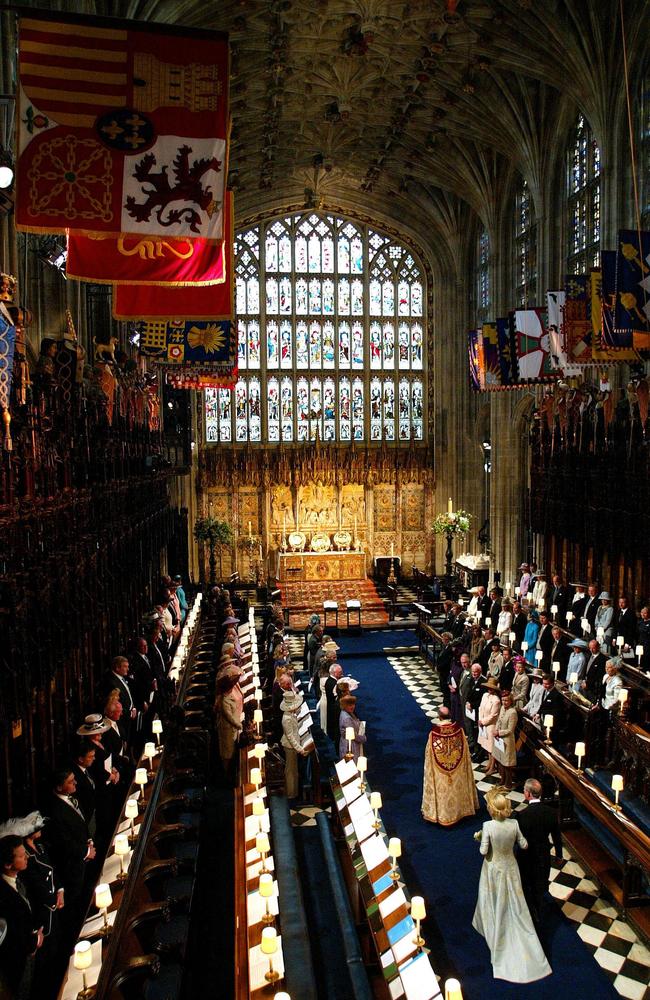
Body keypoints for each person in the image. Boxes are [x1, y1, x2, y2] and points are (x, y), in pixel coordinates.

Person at [472, 787, 551, 983]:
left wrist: (481, 839)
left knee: (494, 898)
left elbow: (483, 852)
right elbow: (523, 845)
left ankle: (494, 927)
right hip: (511, 867)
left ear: (492, 809)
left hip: (494, 869)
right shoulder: (514, 823)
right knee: (516, 901)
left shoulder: (488, 826)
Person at [516, 778, 563, 932]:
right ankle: (538, 909)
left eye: (524, 790)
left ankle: (531, 913)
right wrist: (559, 855)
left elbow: (518, 839)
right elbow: (556, 836)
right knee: (541, 884)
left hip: (526, 856)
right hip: (543, 855)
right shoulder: (551, 812)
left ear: (528, 794)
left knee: (527, 884)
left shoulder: (522, 815)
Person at [0, 835, 43, 998]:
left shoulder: (19, 877)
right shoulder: (4, 898)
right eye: (21, 855)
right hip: (19, 964)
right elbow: (11, 937)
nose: (26, 856)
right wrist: (34, 942)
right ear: (7, 864)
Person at [421, 707, 478, 825]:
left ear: (439, 717)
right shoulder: (459, 731)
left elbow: (429, 755)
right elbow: (465, 751)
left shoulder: (434, 734)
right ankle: (462, 811)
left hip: (440, 773)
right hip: (457, 771)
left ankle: (443, 815)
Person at [214, 673, 243, 781]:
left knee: (231, 752)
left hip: (232, 729)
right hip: (227, 730)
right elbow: (230, 717)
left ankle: (230, 772)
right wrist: (240, 725)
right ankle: (226, 775)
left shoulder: (228, 696)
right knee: (227, 754)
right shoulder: (223, 701)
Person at [281, 691, 309, 800]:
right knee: (290, 771)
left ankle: (294, 791)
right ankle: (291, 793)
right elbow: (290, 737)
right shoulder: (286, 718)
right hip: (290, 747)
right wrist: (300, 749)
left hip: (293, 746)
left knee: (293, 770)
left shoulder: (291, 715)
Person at [492, 691, 518, 789]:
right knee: (500, 760)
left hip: (507, 740)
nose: (504, 702)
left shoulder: (513, 712)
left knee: (507, 763)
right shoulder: (502, 708)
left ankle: (508, 783)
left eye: (506, 700)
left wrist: (499, 732)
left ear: (511, 701)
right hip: (499, 739)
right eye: (503, 700)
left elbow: (510, 730)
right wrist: (496, 730)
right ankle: (502, 780)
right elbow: (499, 720)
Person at [477, 676, 501, 777]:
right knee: (486, 746)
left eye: (492, 688)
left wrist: (483, 721)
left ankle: (493, 767)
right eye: (489, 687)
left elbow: (493, 716)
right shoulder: (484, 695)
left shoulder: (496, 700)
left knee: (491, 747)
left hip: (491, 725)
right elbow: (480, 708)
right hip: (482, 724)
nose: (489, 690)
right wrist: (480, 720)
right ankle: (489, 764)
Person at [338, 694, 366, 763]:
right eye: (350, 705)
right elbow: (353, 735)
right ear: (345, 706)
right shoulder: (347, 718)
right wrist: (363, 738)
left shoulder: (347, 713)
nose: (353, 707)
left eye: (353, 704)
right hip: (350, 746)